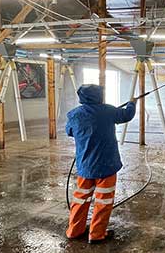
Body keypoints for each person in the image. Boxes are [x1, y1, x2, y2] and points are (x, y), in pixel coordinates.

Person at [65, 84, 136, 244]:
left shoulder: (74, 115)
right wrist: (132, 103)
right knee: (103, 200)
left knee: (81, 199)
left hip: (85, 166)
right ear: (99, 96)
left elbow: (69, 131)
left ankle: (74, 231)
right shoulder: (109, 111)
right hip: (107, 166)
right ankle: (97, 234)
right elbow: (126, 115)